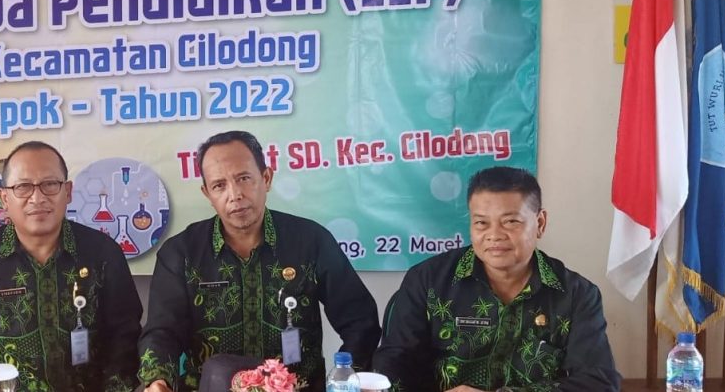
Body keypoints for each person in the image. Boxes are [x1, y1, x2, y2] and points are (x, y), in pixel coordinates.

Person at [138, 130, 381, 392]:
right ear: (207, 193)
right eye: (219, 185)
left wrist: (346, 379)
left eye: (243, 178)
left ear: (266, 178)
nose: (235, 195)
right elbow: (162, 331)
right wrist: (157, 380)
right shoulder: (181, 253)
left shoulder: (311, 241)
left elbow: (360, 320)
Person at [373, 166, 621, 391]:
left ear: (540, 223)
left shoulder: (577, 295)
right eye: (481, 223)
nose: (494, 235)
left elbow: (598, 382)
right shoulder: (428, 281)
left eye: (510, 222)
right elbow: (392, 366)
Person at [0, 141, 143, 392]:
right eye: (23, 187)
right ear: (4, 198)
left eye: (50, 184)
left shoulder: (103, 253)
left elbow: (125, 337)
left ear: (68, 192)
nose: (37, 198)